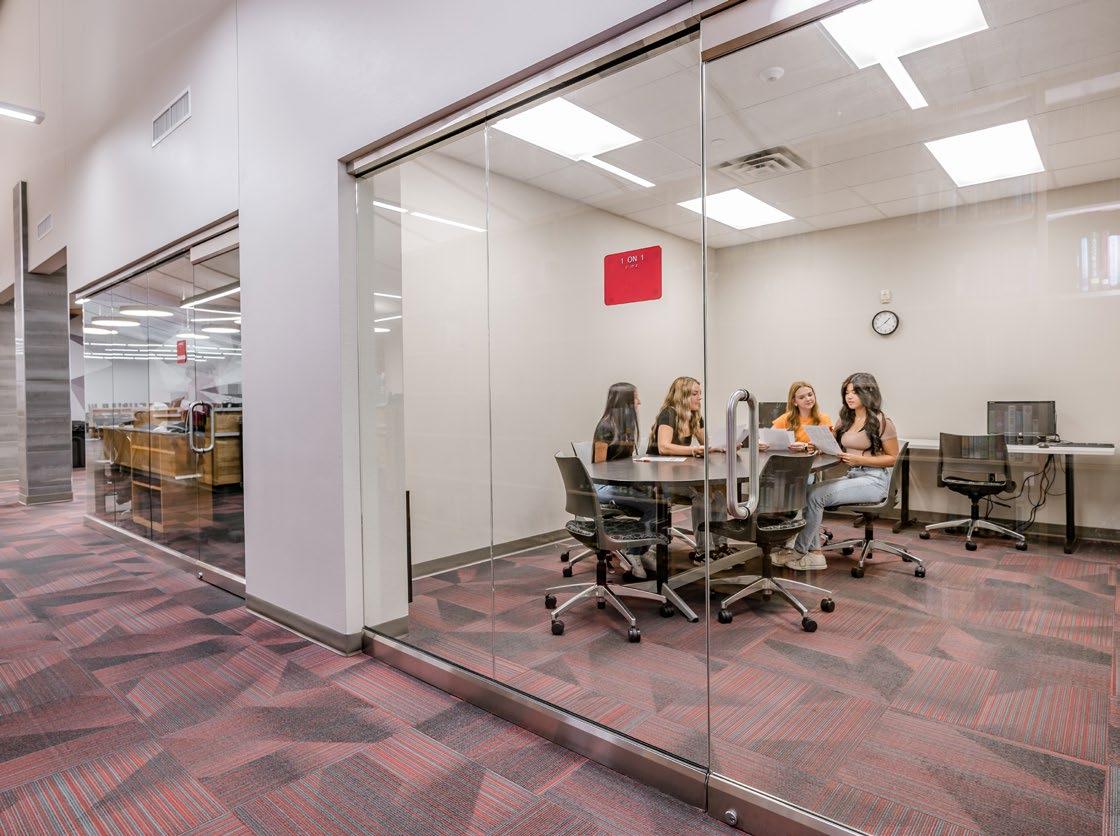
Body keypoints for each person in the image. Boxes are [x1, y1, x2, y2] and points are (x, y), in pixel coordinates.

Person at [776, 372, 898, 572]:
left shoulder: (882, 421)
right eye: (847, 392)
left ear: (868, 393)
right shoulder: (846, 419)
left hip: (874, 479)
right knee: (809, 493)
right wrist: (814, 446)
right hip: (853, 475)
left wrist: (859, 460)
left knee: (815, 496)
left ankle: (801, 551)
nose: (849, 396)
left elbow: (893, 458)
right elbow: (830, 444)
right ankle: (813, 553)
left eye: (855, 392)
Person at [647, 376, 727, 561]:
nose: (700, 397)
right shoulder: (668, 414)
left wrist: (724, 446)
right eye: (695, 394)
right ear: (682, 396)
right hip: (661, 478)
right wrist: (693, 450)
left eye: (700, 393)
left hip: (680, 475)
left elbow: (706, 444)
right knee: (702, 493)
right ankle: (703, 551)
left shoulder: (694, 416)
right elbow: (664, 447)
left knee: (719, 490)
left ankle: (720, 545)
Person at [592, 382, 656, 579]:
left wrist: (635, 464)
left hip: (619, 485)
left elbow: (621, 461)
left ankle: (640, 550)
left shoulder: (625, 427)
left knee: (658, 501)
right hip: (603, 487)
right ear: (625, 401)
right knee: (655, 507)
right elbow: (599, 467)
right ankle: (633, 552)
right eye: (636, 398)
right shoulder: (606, 427)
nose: (639, 402)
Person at [771, 380, 832, 448]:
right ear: (794, 401)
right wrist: (762, 444)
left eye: (810, 395)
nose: (808, 399)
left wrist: (804, 446)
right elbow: (768, 438)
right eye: (801, 397)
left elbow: (827, 446)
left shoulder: (823, 418)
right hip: (789, 455)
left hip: (812, 455)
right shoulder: (786, 418)